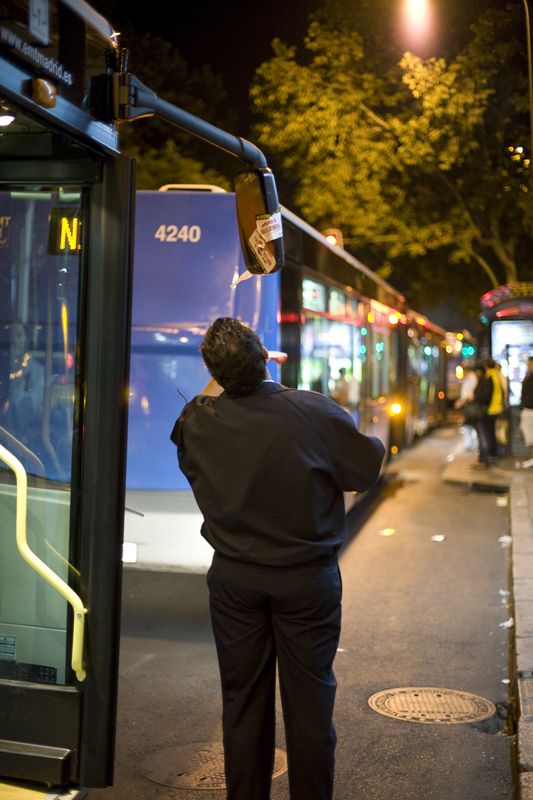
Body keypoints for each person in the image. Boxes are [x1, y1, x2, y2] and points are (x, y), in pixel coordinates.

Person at [170, 318, 385, 800]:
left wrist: (225, 375)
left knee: (242, 704)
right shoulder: (312, 410)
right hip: (306, 581)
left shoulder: (197, 421)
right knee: (310, 708)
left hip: (235, 582)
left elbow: (199, 407)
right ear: (265, 356)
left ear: (213, 373)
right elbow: (364, 471)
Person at [470, 361, 494, 469]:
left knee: (483, 436)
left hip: (482, 413)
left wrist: (474, 398)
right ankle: (481, 459)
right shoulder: (483, 381)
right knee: (481, 436)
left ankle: (484, 460)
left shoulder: (486, 381)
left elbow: (485, 397)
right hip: (480, 412)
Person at [454, 363, 478, 451]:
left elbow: (469, 394)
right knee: (469, 425)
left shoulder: (472, 378)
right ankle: (469, 444)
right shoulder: (468, 378)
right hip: (468, 404)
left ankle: (471, 444)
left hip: (471, 405)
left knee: (470, 425)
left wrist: (461, 401)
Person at [520, 356, 533, 468]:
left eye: (530, 363)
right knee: (529, 437)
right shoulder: (527, 378)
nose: (529, 365)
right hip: (527, 409)